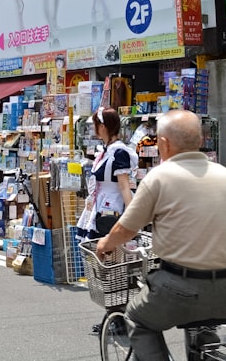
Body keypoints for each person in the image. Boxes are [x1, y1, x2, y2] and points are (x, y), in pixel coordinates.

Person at [96, 110, 226, 361]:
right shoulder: (224, 174)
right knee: (202, 325)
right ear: (199, 140)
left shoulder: (159, 177)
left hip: (180, 289)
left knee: (137, 318)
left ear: (163, 144)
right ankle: (207, 351)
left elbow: (126, 229)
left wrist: (105, 244)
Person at [76, 107, 138, 333]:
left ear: (102, 127)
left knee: (113, 267)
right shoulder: (107, 150)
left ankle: (118, 317)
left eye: (95, 125)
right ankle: (114, 316)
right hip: (100, 212)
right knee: (107, 267)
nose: (93, 129)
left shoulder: (118, 152)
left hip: (110, 214)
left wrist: (132, 217)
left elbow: (124, 186)